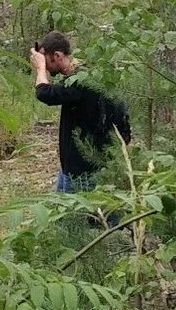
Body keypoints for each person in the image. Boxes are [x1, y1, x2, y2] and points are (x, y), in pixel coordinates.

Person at [30, 31, 131, 193]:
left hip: (84, 170)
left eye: (46, 60)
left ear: (56, 55)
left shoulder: (80, 82)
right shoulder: (84, 75)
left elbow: (44, 93)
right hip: (73, 168)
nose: (46, 67)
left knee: (87, 217)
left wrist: (40, 69)